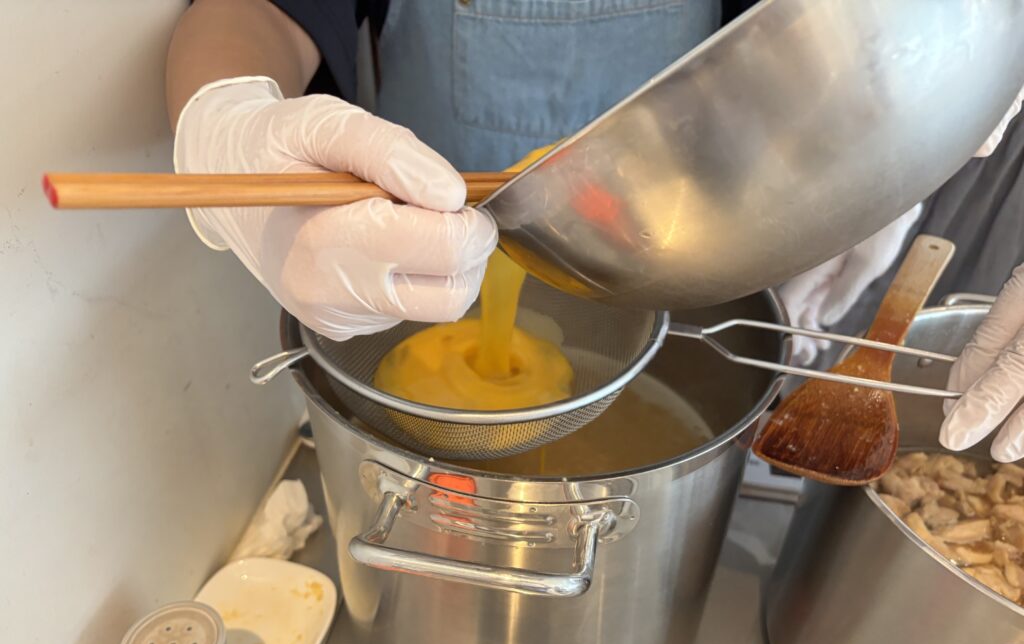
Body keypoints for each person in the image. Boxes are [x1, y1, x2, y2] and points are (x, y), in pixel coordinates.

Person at [167, 0, 1024, 460]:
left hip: (678, 246)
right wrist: (227, 127)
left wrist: (894, 120)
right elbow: (253, 12)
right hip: (412, 262)